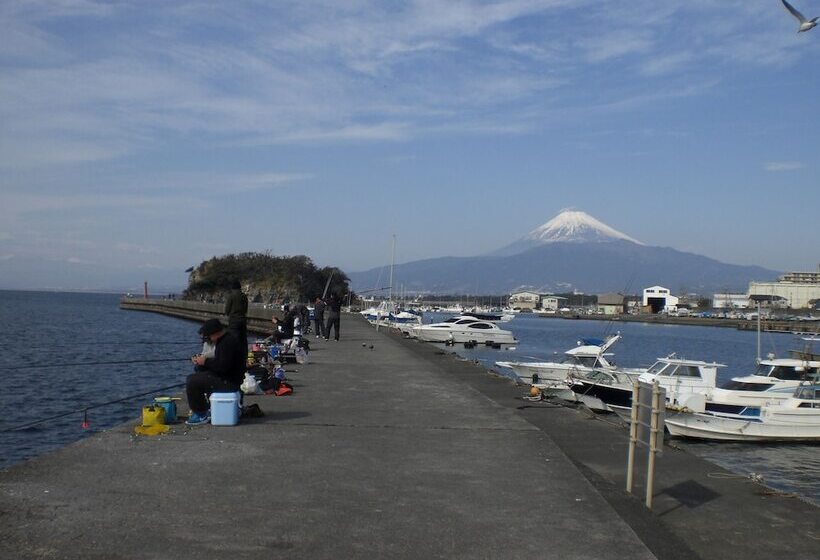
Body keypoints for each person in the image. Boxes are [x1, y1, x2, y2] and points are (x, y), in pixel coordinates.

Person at [186, 318, 246, 425]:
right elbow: (221, 363)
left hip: (229, 382)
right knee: (198, 371)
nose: (208, 339)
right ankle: (207, 408)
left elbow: (223, 366)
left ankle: (201, 414)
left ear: (215, 333)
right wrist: (202, 362)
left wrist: (205, 362)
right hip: (228, 378)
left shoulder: (227, 343)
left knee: (192, 381)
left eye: (208, 336)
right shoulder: (226, 340)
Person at [224, 280, 249, 353]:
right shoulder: (244, 296)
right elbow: (245, 309)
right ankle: (244, 354)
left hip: (234, 320)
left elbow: (227, 309)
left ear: (233, 288)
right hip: (242, 319)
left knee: (233, 338)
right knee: (243, 338)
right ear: (240, 288)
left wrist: (228, 314)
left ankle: (234, 354)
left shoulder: (231, 296)